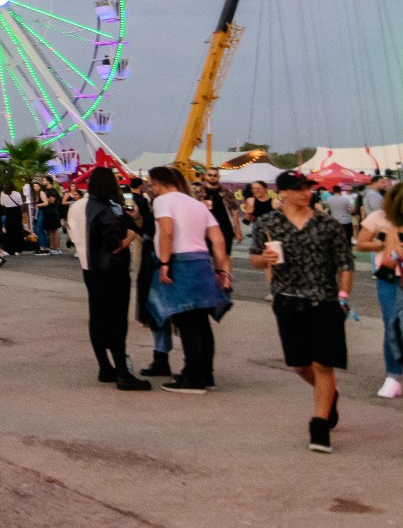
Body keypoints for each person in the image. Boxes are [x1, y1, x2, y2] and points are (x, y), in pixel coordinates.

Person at [250, 171, 356, 452]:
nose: (305, 192)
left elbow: (345, 263)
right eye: (298, 188)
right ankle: (330, 395)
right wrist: (265, 258)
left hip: (325, 301)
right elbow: (254, 259)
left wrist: (343, 297)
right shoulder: (267, 223)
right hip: (287, 300)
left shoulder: (327, 224)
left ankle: (319, 426)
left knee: (324, 363)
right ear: (282, 192)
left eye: (308, 187)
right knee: (300, 364)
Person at [144, 165, 232, 394]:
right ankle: (206, 374)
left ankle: (193, 377)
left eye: (152, 185)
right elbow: (218, 239)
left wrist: (164, 262)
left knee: (186, 321)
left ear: (158, 184)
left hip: (180, 262)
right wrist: (222, 270)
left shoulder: (163, 201)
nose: (151, 189)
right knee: (201, 321)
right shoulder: (196, 203)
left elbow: (167, 231)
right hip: (202, 262)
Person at [65, 168, 150, 391]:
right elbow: (116, 243)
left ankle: (104, 366)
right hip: (111, 270)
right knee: (116, 320)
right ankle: (122, 371)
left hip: (88, 268)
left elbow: (74, 236)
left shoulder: (75, 208)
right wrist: (130, 235)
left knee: (98, 316)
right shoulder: (107, 208)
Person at [355, 181, 402, 398]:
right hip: (391, 279)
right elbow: (362, 243)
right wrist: (384, 245)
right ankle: (394, 376)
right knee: (392, 325)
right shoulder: (381, 218)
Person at [200, 168, 242, 254]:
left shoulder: (226, 192)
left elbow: (234, 213)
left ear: (218, 177)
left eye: (215, 175)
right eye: (209, 175)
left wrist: (237, 231)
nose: (212, 177)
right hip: (205, 230)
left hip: (224, 229)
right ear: (205, 176)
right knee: (207, 257)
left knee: (225, 256)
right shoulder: (199, 192)